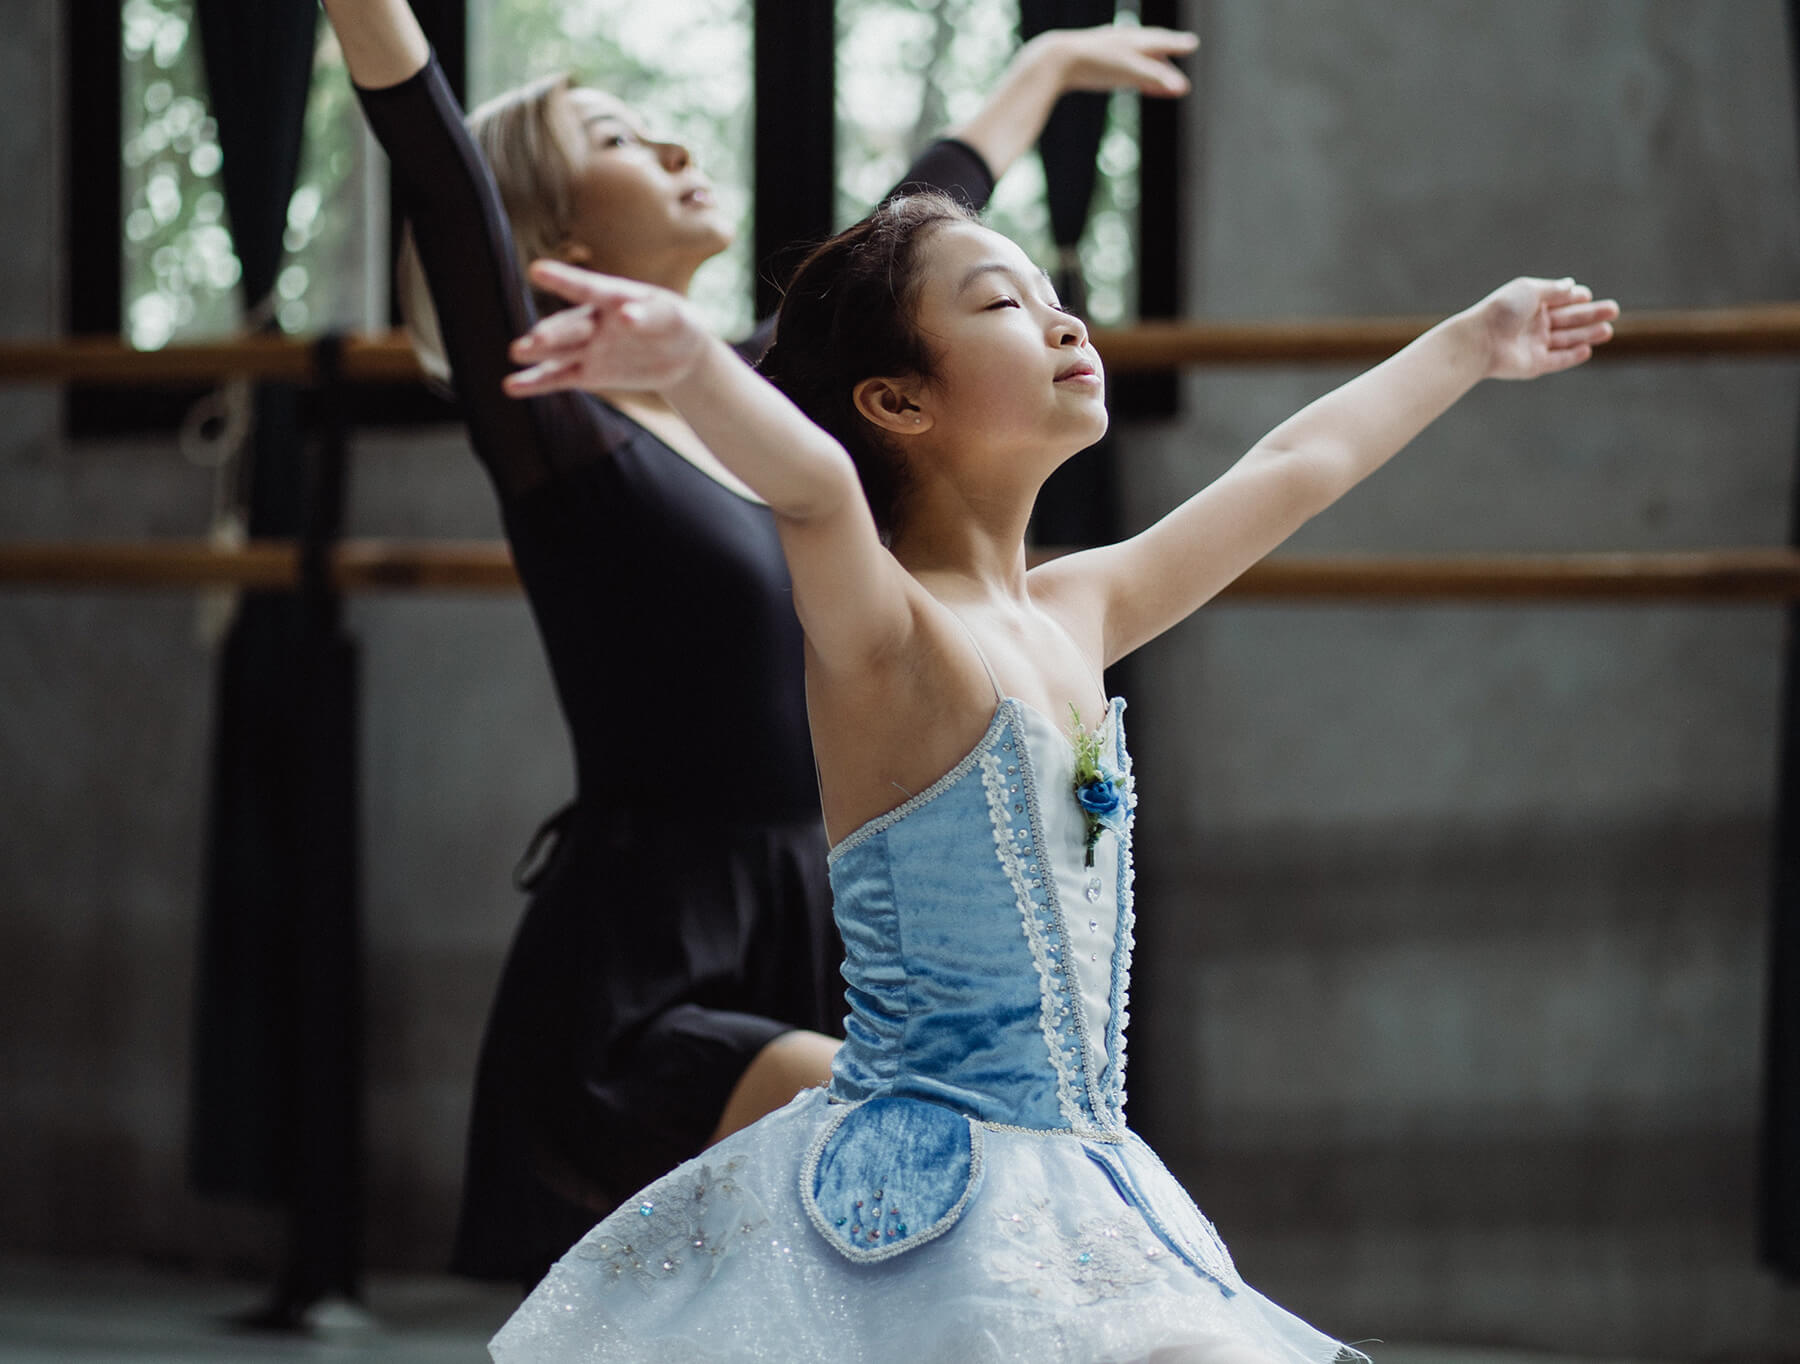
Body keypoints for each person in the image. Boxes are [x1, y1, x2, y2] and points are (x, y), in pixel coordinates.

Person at [486, 193, 1619, 1360]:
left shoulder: (1083, 605)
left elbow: (1299, 462)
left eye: (1056, 295)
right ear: (898, 398)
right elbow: (817, 489)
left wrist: (1474, 342)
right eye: (1002, 304)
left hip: (1087, 1179)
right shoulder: (887, 632)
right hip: (931, 1210)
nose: (1064, 320)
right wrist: (688, 365)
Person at [319, 0, 1199, 1290]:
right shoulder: (560, 435)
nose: (674, 147)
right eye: (618, 135)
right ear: (553, 241)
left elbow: (914, 233)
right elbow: (441, 165)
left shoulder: (769, 412)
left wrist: (1047, 65)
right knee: (958, 1202)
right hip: (652, 973)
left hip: (834, 919)